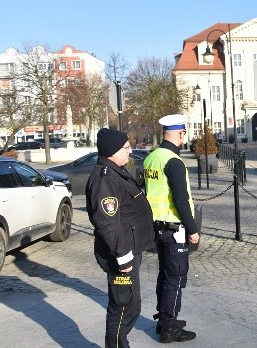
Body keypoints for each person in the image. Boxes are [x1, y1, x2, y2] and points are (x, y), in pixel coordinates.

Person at [85, 128, 155, 348]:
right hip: (121, 254)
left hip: (128, 249)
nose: (130, 151)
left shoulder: (116, 171)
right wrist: (123, 257)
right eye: (126, 148)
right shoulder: (105, 178)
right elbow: (107, 222)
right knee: (123, 305)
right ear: (112, 151)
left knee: (130, 304)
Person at [143, 114, 199, 343]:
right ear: (180, 133)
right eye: (184, 132)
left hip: (156, 227)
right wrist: (192, 229)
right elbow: (181, 200)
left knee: (165, 275)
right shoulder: (173, 161)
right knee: (175, 277)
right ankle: (168, 328)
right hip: (173, 228)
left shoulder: (151, 158)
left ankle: (165, 319)